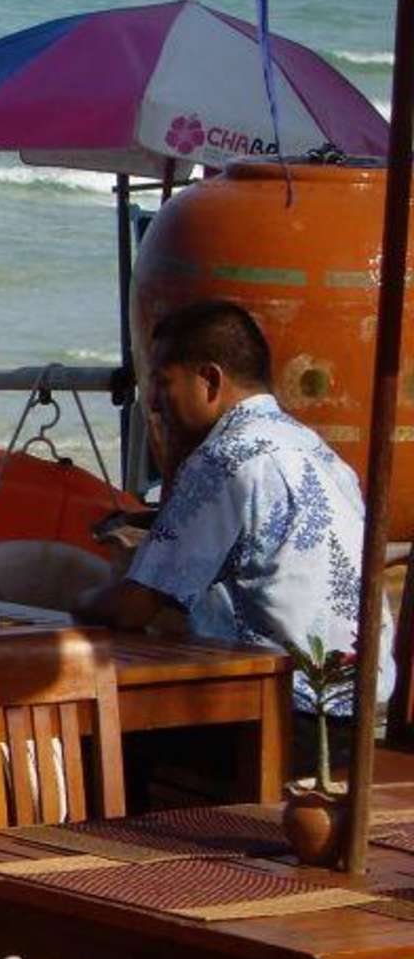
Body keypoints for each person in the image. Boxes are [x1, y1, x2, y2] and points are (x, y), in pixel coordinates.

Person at [77, 298, 391, 743]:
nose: (154, 403)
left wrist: (72, 602)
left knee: (95, 738)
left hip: (285, 717)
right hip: (359, 715)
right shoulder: (316, 450)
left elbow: (133, 607)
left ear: (210, 380)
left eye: (163, 382)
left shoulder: (224, 458)